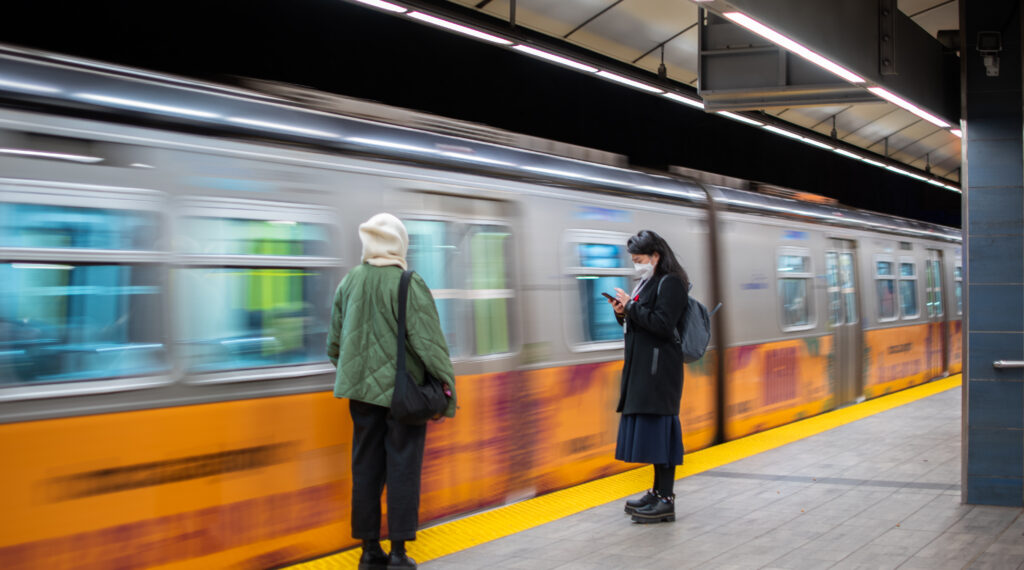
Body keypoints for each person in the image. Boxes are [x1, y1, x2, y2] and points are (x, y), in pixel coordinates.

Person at [328, 213, 456, 570]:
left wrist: (357, 375)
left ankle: (369, 552)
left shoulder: (349, 281)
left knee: (365, 469)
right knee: (402, 469)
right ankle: (398, 554)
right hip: (404, 398)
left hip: (361, 398)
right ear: (399, 244)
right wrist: (448, 394)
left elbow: (334, 345)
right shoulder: (407, 282)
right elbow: (430, 345)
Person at [606, 229, 689, 524]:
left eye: (639, 259)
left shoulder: (672, 283)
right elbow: (643, 321)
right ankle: (657, 493)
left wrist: (631, 306)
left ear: (656, 256)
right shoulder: (649, 281)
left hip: (660, 372)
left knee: (662, 433)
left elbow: (663, 325)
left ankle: (666, 499)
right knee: (655, 434)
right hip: (645, 369)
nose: (636, 264)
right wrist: (623, 313)